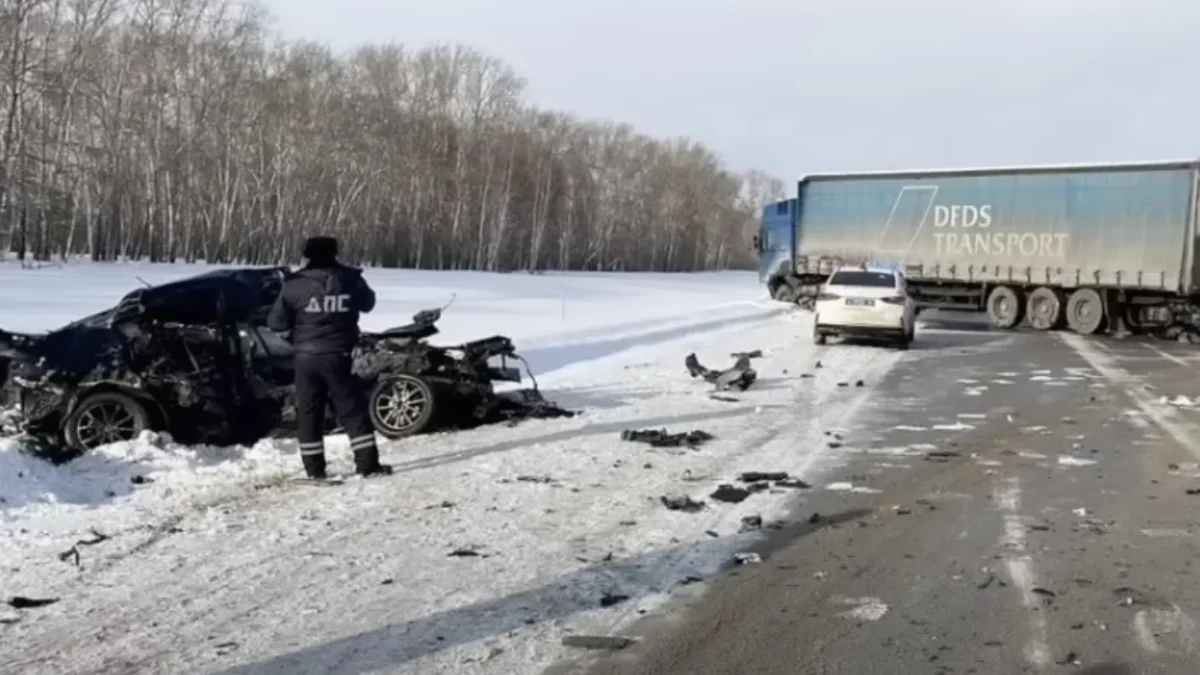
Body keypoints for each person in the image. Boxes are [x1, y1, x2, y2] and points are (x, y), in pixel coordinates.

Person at [267, 235, 392, 479]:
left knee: (309, 412)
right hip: (339, 355)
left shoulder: (294, 284)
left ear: (306, 255)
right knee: (352, 410)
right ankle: (367, 465)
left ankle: (314, 471)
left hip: (305, 357)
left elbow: (275, 322)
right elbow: (368, 304)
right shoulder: (351, 280)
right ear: (335, 253)